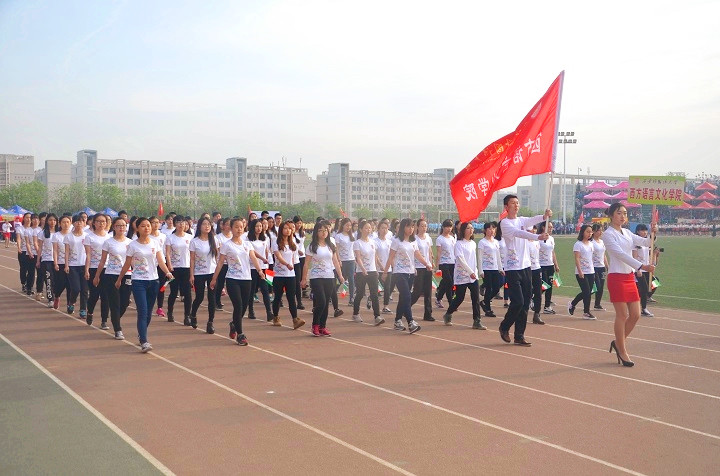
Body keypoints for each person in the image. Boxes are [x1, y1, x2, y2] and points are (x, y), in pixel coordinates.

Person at [602, 203, 655, 367]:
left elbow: (646, 242)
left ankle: (618, 342)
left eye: (625, 213)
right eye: (619, 213)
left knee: (636, 314)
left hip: (629, 277)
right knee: (622, 315)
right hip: (617, 277)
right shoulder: (608, 234)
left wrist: (653, 232)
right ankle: (622, 350)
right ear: (611, 215)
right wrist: (641, 266)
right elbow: (619, 254)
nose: (623, 216)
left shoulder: (627, 232)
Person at [498, 195, 551, 347]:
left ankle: (519, 335)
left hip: (526, 266)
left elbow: (531, 220)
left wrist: (544, 216)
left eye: (517, 203)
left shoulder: (521, 220)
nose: (516, 205)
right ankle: (504, 326)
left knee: (526, 302)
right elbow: (519, 233)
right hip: (513, 267)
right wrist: (537, 236)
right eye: (512, 203)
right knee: (518, 301)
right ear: (506, 207)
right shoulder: (505, 223)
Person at [116, 217, 174, 352]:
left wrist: (167, 272)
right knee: (142, 311)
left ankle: (141, 333)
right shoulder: (133, 245)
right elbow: (127, 263)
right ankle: (144, 341)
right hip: (138, 281)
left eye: (148, 225)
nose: (147, 228)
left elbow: (160, 261)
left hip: (153, 281)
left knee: (148, 312)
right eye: (143, 226)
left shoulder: (155, 243)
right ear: (137, 228)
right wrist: (119, 279)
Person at [211, 218, 264, 345]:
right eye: (236, 227)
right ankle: (240, 334)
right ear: (231, 228)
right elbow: (220, 263)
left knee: (244, 307)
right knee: (238, 305)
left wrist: (259, 271)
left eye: (241, 227)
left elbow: (253, 258)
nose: (239, 229)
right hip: (232, 279)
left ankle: (234, 324)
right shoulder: (227, 245)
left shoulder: (247, 244)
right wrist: (214, 278)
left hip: (246, 279)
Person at [383, 218, 431, 334]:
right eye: (409, 226)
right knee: (407, 296)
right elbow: (391, 257)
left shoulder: (413, 241)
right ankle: (411, 322)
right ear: (403, 227)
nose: (411, 229)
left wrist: (426, 264)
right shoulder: (396, 241)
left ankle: (397, 320)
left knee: (403, 297)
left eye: (413, 227)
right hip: (399, 273)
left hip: (410, 272)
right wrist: (385, 272)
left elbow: (417, 254)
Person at [301, 222, 345, 336]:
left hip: (329, 276)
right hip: (316, 277)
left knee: (326, 303)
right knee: (321, 301)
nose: (323, 232)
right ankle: (315, 325)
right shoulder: (312, 246)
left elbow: (335, 261)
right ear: (316, 232)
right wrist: (304, 279)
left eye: (325, 230)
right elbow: (306, 264)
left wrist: (340, 275)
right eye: (320, 230)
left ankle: (322, 327)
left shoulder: (331, 246)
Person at [442, 221, 486, 329]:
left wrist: (475, 271)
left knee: (475, 297)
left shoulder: (473, 243)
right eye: (468, 228)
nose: (471, 230)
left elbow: (473, 259)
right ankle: (448, 313)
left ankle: (477, 321)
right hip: (462, 275)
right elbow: (460, 259)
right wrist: (469, 272)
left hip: (473, 276)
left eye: (472, 228)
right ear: (463, 230)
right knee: (460, 297)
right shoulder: (459, 244)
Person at [95, 217, 132, 340]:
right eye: (118, 225)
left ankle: (115, 318)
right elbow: (102, 261)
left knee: (125, 302)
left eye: (123, 225)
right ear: (114, 227)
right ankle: (118, 329)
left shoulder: (130, 243)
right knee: (114, 302)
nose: (121, 228)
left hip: (127, 274)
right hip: (111, 274)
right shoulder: (108, 242)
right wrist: (97, 276)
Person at [271, 220, 305, 329]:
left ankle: (295, 319)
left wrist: (293, 268)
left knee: (291, 297)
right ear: (281, 230)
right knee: (278, 297)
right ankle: (275, 317)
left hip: (290, 275)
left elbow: (294, 258)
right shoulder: (276, 243)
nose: (288, 230)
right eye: (285, 228)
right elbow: (278, 257)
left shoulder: (292, 243)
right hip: (278, 275)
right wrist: (287, 264)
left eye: (290, 228)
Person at [351, 220, 385, 326]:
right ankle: (355, 313)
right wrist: (363, 269)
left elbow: (375, 256)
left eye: (370, 228)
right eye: (366, 228)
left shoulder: (372, 242)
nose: (368, 229)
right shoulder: (357, 243)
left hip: (372, 271)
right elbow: (358, 258)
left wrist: (379, 267)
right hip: (361, 272)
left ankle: (377, 316)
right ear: (361, 229)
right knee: (360, 293)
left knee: (374, 294)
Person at [189, 217, 218, 333]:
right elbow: (192, 259)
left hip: (212, 272)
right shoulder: (194, 242)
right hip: (199, 272)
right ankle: (193, 314)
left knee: (212, 298)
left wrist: (218, 272)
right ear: (199, 226)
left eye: (209, 224)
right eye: (204, 224)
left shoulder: (214, 240)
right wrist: (191, 275)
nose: (207, 226)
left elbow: (218, 257)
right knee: (199, 297)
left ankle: (210, 322)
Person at [165, 216, 193, 325]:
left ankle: (187, 316)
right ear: (175, 224)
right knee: (174, 292)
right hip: (175, 268)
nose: (181, 224)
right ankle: (170, 312)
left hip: (187, 268)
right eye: (178, 222)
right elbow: (167, 253)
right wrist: (169, 265)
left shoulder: (190, 237)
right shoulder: (170, 238)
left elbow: (192, 254)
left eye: (183, 222)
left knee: (187, 293)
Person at [84, 214, 110, 327]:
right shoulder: (89, 237)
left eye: (103, 221)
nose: (101, 223)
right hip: (94, 268)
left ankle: (104, 320)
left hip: (108, 268)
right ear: (93, 223)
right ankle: (90, 312)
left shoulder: (109, 237)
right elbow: (88, 255)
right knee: (94, 294)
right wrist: (86, 270)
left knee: (105, 295)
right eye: (98, 221)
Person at [246, 218, 273, 321]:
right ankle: (251, 310)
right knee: (252, 290)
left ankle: (269, 312)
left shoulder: (265, 238)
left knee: (265, 290)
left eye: (260, 226)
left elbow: (266, 250)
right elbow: (252, 253)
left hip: (263, 267)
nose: (259, 228)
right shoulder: (248, 239)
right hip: (252, 267)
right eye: (257, 226)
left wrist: (266, 260)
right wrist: (262, 258)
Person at [568, 224, 596, 320]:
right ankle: (586, 312)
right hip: (581, 272)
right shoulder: (578, 244)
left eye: (591, 232)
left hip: (591, 271)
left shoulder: (591, 244)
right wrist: (580, 271)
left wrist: (593, 269)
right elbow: (577, 258)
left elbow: (591, 258)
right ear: (583, 232)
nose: (590, 234)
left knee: (588, 292)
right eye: (587, 231)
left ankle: (573, 304)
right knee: (586, 292)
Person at [410, 218, 435, 321]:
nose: (424, 228)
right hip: (418, 267)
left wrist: (431, 263)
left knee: (428, 292)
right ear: (417, 227)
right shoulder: (414, 239)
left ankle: (428, 314)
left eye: (425, 226)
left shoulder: (428, 237)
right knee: (418, 291)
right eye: (422, 226)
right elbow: (414, 253)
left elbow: (429, 251)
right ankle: (405, 307)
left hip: (427, 267)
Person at [477, 221, 503, 318]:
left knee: (496, 288)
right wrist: (480, 270)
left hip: (495, 268)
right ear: (485, 230)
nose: (491, 230)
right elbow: (479, 257)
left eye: (493, 228)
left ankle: (484, 302)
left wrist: (500, 268)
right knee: (489, 288)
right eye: (489, 228)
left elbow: (498, 256)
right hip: (486, 269)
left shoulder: (496, 242)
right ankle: (488, 309)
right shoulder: (482, 242)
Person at [64, 215, 89, 317]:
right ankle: (71, 302)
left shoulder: (87, 236)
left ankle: (83, 309)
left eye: (81, 221)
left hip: (84, 265)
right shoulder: (68, 236)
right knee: (76, 288)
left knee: (84, 290)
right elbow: (66, 252)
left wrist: (88, 268)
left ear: (84, 223)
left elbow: (89, 252)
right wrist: (66, 265)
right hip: (73, 265)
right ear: (73, 223)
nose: (79, 223)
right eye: (77, 221)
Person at [632, 224, 654, 317]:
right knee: (644, 288)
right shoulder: (635, 243)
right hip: (640, 270)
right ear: (638, 231)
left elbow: (649, 257)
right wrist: (638, 269)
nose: (645, 232)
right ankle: (643, 308)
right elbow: (634, 257)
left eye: (646, 230)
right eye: (642, 230)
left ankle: (646, 298)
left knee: (655, 283)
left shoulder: (646, 243)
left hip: (647, 269)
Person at [537, 222, 559, 315]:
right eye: (549, 227)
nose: (551, 229)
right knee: (545, 284)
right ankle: (533, 297)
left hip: (550, 265)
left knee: (550, 286)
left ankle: (547, 306)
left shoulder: (551, 239)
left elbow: (552, 252)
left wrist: (556, 265)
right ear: (543, 227)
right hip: (541, 265)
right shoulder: (538, 239)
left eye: (551, 227)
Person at [37, 213, 58, 307]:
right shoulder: (43, 233)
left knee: (57, 281)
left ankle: (56, 296)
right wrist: (38, 260)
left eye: (54, 220)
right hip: (47, 260)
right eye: (50, 220)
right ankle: (51, 299)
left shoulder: (59, 233)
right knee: (49, 280)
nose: (52, 222)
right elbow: (40, 248)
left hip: (59, 260)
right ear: (47, 221)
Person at [373, 220, 394, 314]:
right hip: (378, 269)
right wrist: (380, 266)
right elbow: (375, 255)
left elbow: (391, 256)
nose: (384, 230)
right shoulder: (375, 241)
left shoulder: (390, 242)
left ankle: (385, 306)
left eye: (386, 228)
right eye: (382, 228)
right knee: (376, 288)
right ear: (378, 229)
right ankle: (371, 298)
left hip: (388, 268)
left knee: (387, 288)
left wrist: (393, 266)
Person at [434, 219, 456, 309]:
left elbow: (454, 251)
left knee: (445, 282)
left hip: (452, 262)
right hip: (443, 263)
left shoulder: (452, 238)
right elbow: (438, 253)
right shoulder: (440, 239)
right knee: (449, 283)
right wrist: (437, 266)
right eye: (447, 226)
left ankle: (438, 298)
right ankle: (451, 303)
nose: (449, 229)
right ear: (443, 227)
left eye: (450, 227)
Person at [52, 215, 72, 310]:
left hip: (72, 263)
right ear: (60, 224)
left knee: (70, 285)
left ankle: (69, 304)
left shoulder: (72, 235)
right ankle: (57, 296)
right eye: (63, 222)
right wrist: (55, 263)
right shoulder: (56, 235)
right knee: (61, 283)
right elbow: (55, 250)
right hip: (61, 263)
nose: (66, 224)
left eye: (68, 222)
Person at [335, 217, 356, 306]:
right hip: (342, 260)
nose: (348, 227)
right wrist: (338, 260)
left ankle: (351, 298)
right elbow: (336, 249)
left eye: (350, 225)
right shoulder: (338, 236)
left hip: (351, 260)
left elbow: (354, 248)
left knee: (351, 279)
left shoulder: (352, 235)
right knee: (341, 279)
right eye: (347, 225)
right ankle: (333, 294)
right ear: (342, 225)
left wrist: (356, 259)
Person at [214, 218, 232, 310]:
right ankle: (216, 301)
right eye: (227, 224)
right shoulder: (218, 237)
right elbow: (217, 251)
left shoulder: (234, 236)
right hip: (222, 263)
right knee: (220, 283)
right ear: (223, 226)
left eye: (230, 224)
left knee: (230, 284)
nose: (229, 226)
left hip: (232, 264)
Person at [591, 224, 609, 311]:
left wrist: (607, 266)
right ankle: (585, 298)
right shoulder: (591, 242)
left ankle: (597, 304)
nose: (601, 232)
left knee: (601, 286)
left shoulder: (602, 242)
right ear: (594, 231)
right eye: (599, 230)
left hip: (602, 268)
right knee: (596, 286)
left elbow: (604, 255)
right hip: (594, 267)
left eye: (602, 230)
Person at [292, 216, 307, 309]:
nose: (298, 225)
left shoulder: (302, 233)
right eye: (297, 223)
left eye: (300, 223)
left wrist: (301, 252)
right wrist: (297, 251)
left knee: (299, 279)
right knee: (292, 281)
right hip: (291, 259)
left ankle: (299, 302)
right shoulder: (291, 235)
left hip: (300, 257)